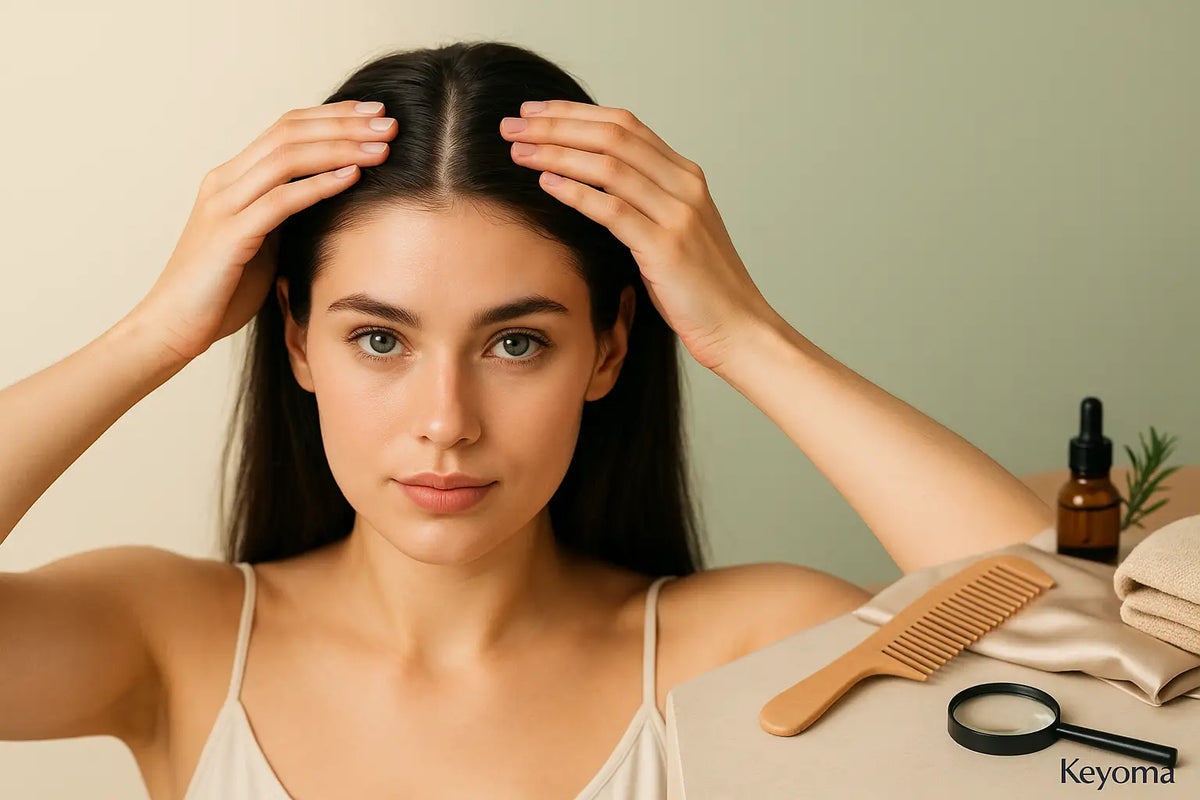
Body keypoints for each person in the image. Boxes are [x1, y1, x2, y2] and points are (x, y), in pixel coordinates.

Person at [0, 41, 1053, 800]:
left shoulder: (740, 651)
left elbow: (1077, 668)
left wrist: (745, 331)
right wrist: (153, 334)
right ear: (295, 342)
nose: (446, 421)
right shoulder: (174, 637)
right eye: (379, 339)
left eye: (516, 342)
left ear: (607, 348)